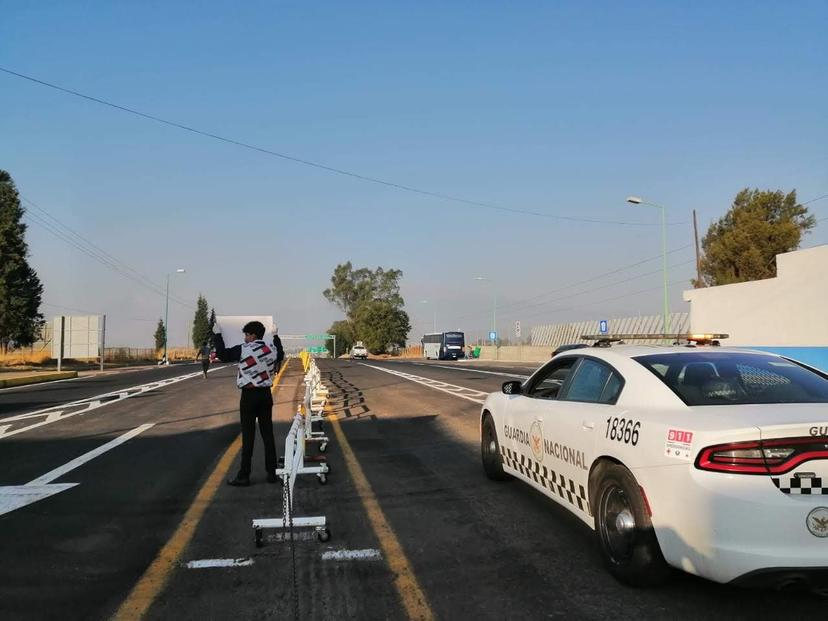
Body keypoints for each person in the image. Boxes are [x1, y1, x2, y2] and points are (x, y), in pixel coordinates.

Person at [213, 320, 282, 486]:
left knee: (248, 437)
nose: (244, 338)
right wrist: (276, 336)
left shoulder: (243, 349)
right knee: (267, 435)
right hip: (266, 395)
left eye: (246, 334)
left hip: (249, 396)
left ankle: (244, 475)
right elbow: (280, 354)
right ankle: (272, 473)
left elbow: (222, 355)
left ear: (252, 335)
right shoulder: (270, 349)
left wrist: (217, 335)